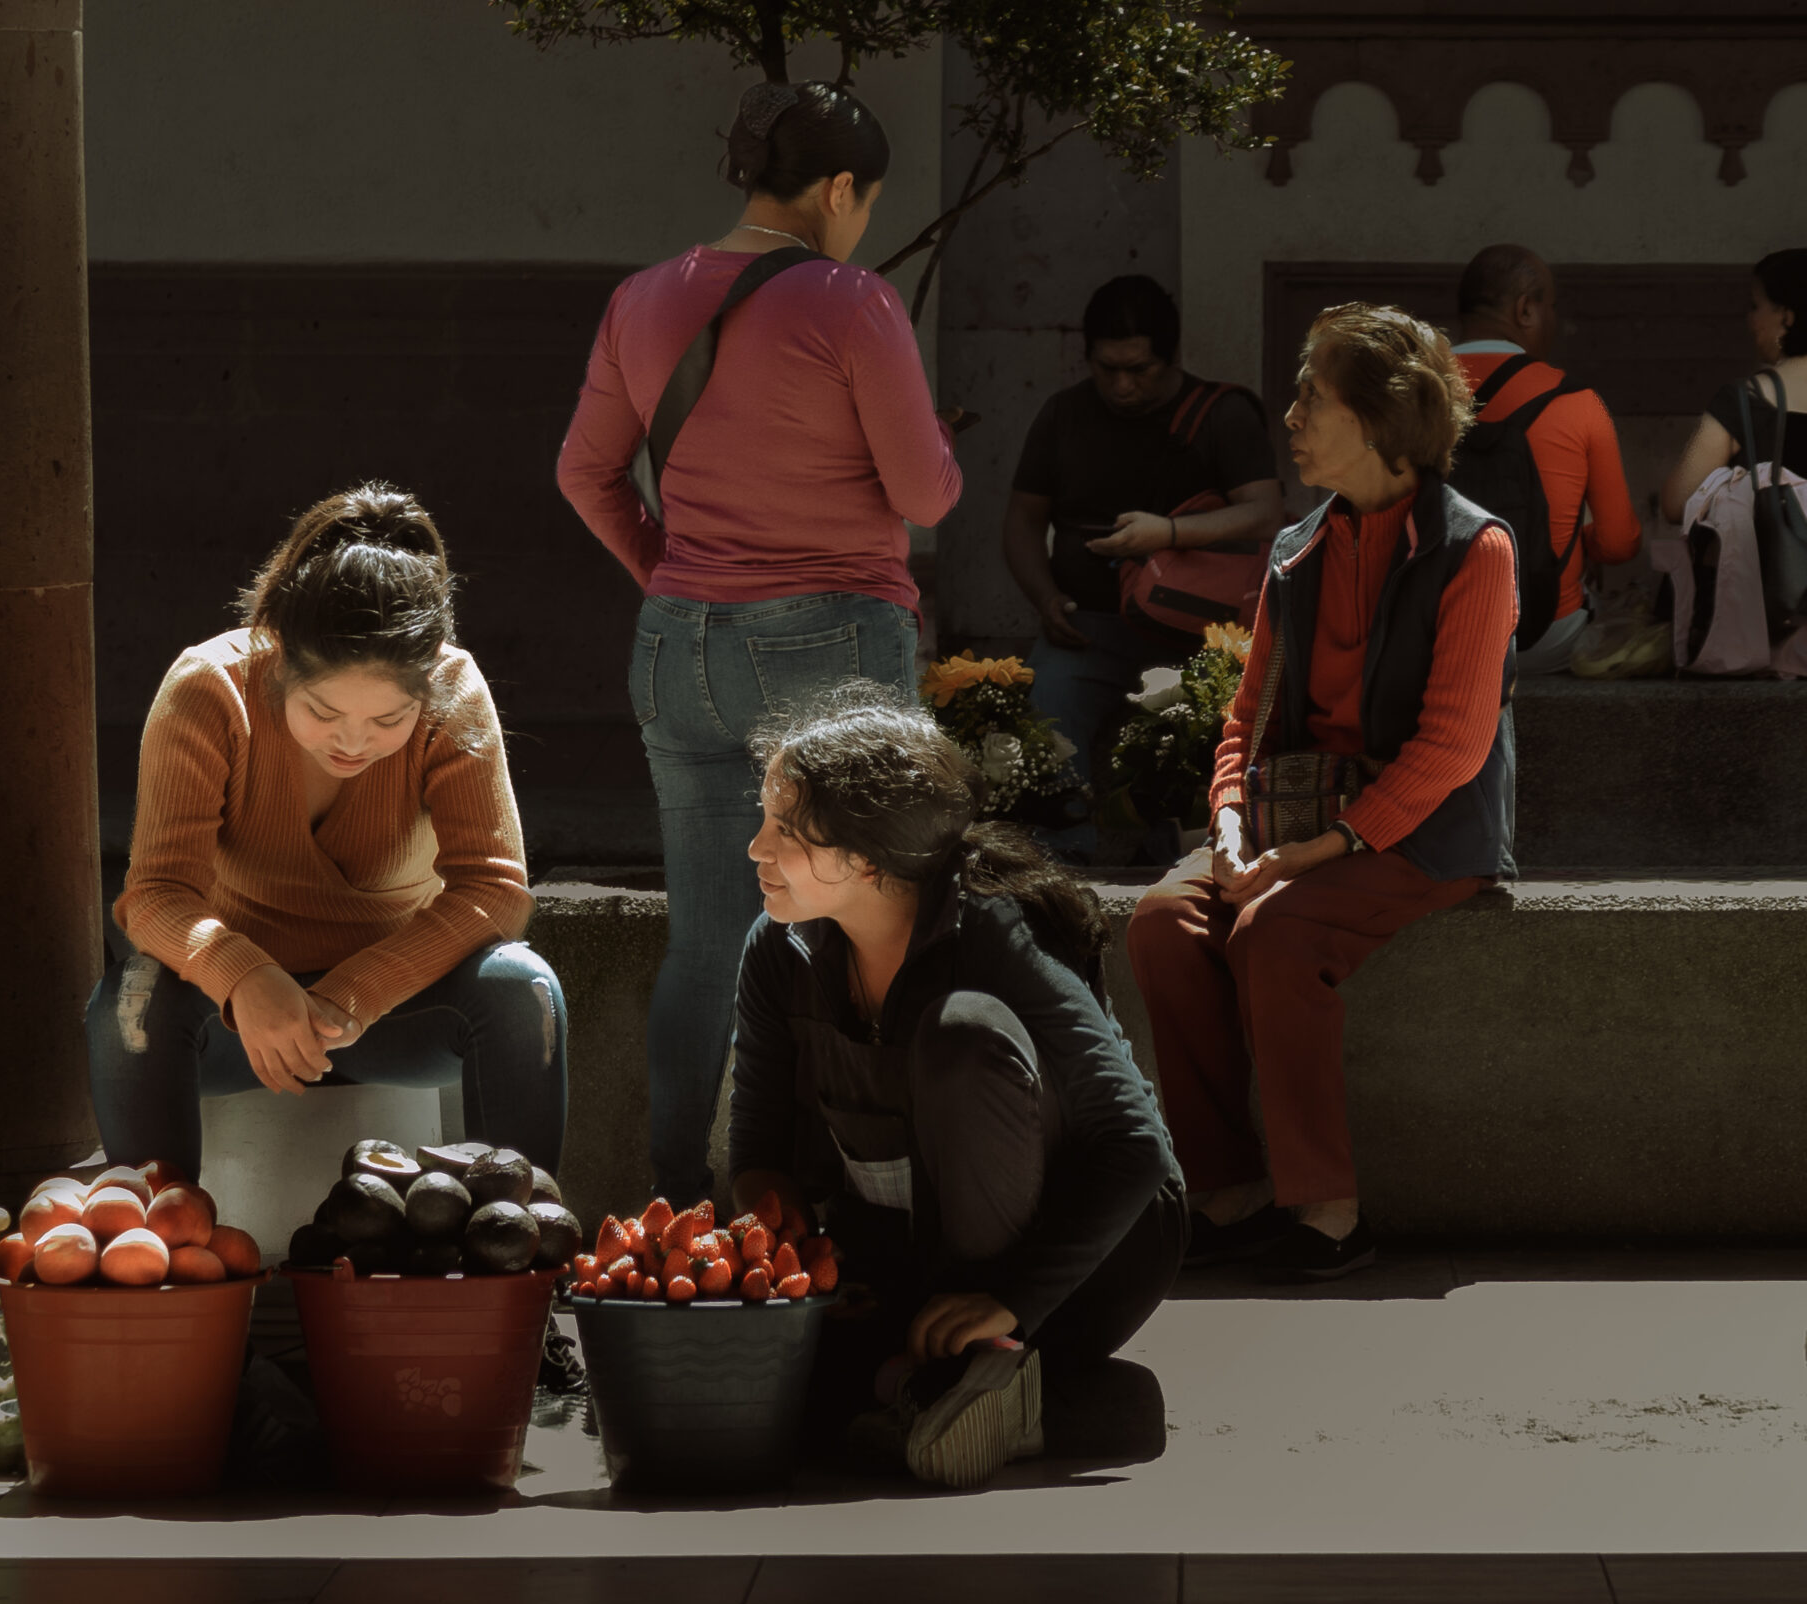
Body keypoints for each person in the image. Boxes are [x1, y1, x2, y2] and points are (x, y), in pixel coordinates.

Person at [556, 80, 963, 1208]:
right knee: (869, 921)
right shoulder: (852, 301)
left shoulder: (642, 298)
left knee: (705, 945)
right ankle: (864, 1192)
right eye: (865, 200)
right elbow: (925, 492)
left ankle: (682, 1197)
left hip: (674, 644)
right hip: (828, 637)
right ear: (838, 189)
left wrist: (675, 577)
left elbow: (582, 471)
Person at [1126, 304, 1518, 1284]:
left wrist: (1315, 854)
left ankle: (1328, 1213)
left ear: (1382, 419)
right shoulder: (1296, 551)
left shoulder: (1476, 552)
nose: (1290, 415)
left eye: (1312, 396)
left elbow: (1451, 750)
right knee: (1162, 923)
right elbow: (1244, 715)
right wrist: (1222, 825)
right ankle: (1225, 1192)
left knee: (1276, 932)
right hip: (1290, 822)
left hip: (1418, 835)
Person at [727, 680, 1183, 1489]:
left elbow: (1136, 1146)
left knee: (961, 1033)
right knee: (763, 1407)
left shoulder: (994, 931)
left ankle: (985, 1374)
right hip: (906, 1265)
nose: (757, 848)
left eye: (785, 830)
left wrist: (1008, 1297)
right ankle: (1012, 1405)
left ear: (866, 856)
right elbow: (760, 1151)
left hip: (1073, 1268)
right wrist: (779, 1229)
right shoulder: (779, 952)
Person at [89, 483, 567, 1188]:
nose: (353, 741)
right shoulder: (208, 689)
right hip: (230, 1023)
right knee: (130, 1001)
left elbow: (495, 890)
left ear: (427, 682)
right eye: (322, 709)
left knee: (524, 990)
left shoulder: (456, 687)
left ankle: (516, 1244)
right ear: (275, 655)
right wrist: (245, 977)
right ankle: (164, 1248)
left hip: (397, 1016)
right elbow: (156, 894)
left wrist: (354, 993)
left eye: (388, 721)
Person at [1006, 274, 1285, 857]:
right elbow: (1023, 521)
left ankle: (1188, 863)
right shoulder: (1063, 415)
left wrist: (1169, 534)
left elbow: (1265, 512)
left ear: (1170, 357)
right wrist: (1044, 598)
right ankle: (1062, 861)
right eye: (1109, 369)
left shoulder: (1221, 414)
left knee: (1201, 741)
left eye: (1141, 370)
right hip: (1089, 627)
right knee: (1044, 718)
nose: (1124, 385)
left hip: (1200, 635)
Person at [1447, 245, 1641, 673]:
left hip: (1428, 640)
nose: (1555, 320)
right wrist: (1576, 525)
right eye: (1550, 307)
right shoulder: (1577, 401)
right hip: (1539, 638)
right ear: (1526, 311)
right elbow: (1619, 544)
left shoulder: (1406, 393)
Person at [1660, 248, 1807, 524]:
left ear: (1786, 317)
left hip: (1778, 566)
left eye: (1755, 306)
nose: (1750, 319)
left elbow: (1677, 502)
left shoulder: (1747, 400)